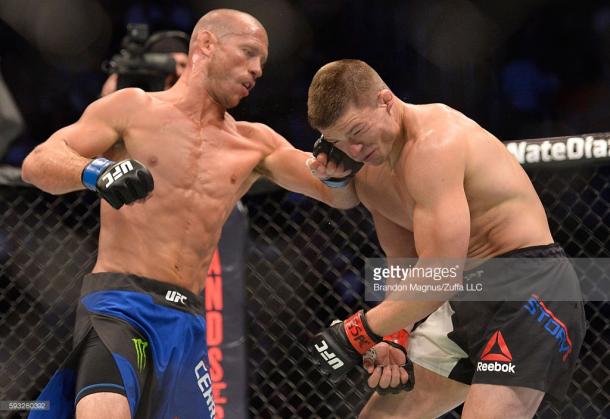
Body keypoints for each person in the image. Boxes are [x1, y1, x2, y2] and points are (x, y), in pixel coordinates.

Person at [21, 9, 358, 419]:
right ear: (206, 45)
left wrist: (340, 168)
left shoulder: (255, 143)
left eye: (263, 63)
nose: (256, 70)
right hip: (119, 308)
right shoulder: (132, 108)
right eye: (249, 53)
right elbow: (38, 163)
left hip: (188, 324)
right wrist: (96, 172)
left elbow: (336, 192)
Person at [306, 59, 586, 418]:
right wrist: (394, 336)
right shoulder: (372, 174)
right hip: (465, 297)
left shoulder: (435, 143)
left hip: (528, 287)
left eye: (357, 132)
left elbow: (442, 274)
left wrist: (359, 331)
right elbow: (404, 265)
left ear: (385, 101)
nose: (354, 150)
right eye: (339, 142)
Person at [100, 30, 189, 97]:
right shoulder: (138, 98)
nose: (177, 72)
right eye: (167, 66)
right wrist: (106, 97)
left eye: (182, 65)